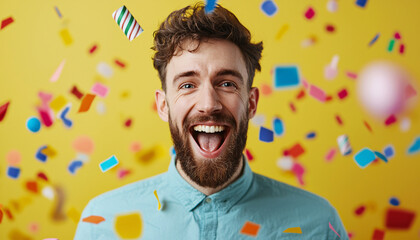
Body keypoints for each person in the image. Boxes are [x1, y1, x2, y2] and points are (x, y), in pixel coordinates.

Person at [75, 2, 348, 239]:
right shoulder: (102, 223)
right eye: (187, 85)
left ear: (251, 103)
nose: (208, 104)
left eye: (227, 83)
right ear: (163, 105)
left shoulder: (318, 224)